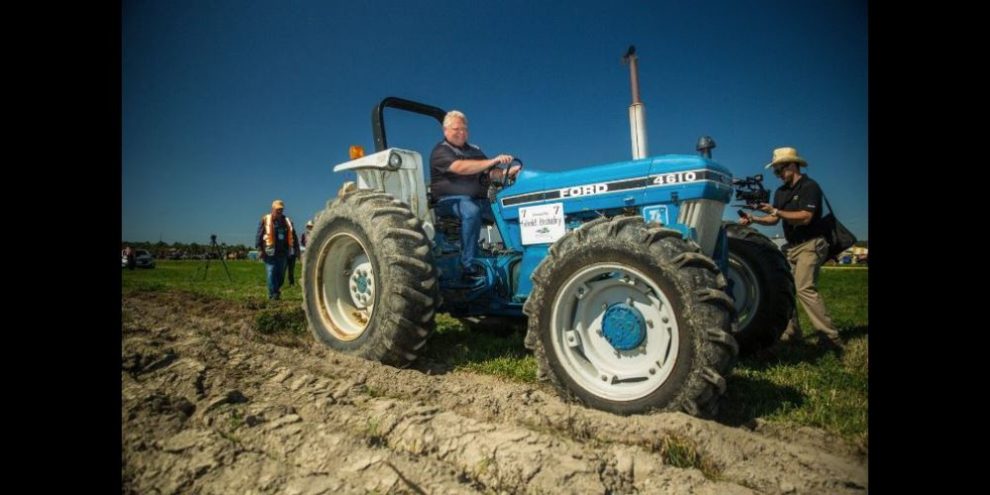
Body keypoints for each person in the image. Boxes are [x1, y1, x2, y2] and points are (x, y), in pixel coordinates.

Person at [738, 147, 844, 352]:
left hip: (811, 243)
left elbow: (806, 216)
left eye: (779, 170)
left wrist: (776, 210)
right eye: (775, 171)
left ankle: (830, 339)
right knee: (787, 288)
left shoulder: (809, 187)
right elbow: (774, 219)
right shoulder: (781, 192)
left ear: (792, 165)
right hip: (792, 246)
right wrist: (755, 219)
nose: (777, 175)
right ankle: (792, 333)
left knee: (804, 288)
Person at [429, 110, 520, 280]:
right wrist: (493, 160)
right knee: (471, 211)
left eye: (464, 129)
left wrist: (508, 173)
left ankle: (516, 256)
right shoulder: (441, 152)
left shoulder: (474, 150)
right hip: (449, 201)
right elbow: (460, 167)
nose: (461, 132)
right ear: (446, 131)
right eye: (456, 129)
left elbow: (490, 172)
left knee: (507, 209)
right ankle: (468, 266)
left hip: (480, 200)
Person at [256, 199, 297, 300]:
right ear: (272, 209)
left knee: (281, 275)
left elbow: (294, 236)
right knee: (271, 272)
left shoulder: (287, 221)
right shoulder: (265, 219)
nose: (279, 211)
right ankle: (273, 295)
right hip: (269, 251)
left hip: (282, 252)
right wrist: (260, 249)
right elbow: (259, 235)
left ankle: (276, 290)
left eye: (281, 209)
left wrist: (296, 249)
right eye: (277, 209)